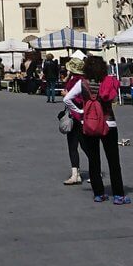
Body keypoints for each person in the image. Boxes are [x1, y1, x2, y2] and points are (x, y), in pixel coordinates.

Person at [64, 56, 128, 204]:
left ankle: (99, 193)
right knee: (113, 160)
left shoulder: (82, 83)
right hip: (108, 123)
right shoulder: (108, 81)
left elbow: (67, 99)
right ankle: (118, 195)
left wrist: (80, 111)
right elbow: (113, 96)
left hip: (89, 124)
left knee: (94, 160)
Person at [60, 57, 85, 186]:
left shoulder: (77, 81)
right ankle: (90, 172)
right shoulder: (82, 79)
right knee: (84, 146)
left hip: (76, 116)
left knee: (75, 146)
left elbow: (78, 99)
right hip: (81, 116)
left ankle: (76, 174)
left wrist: (66, 95)